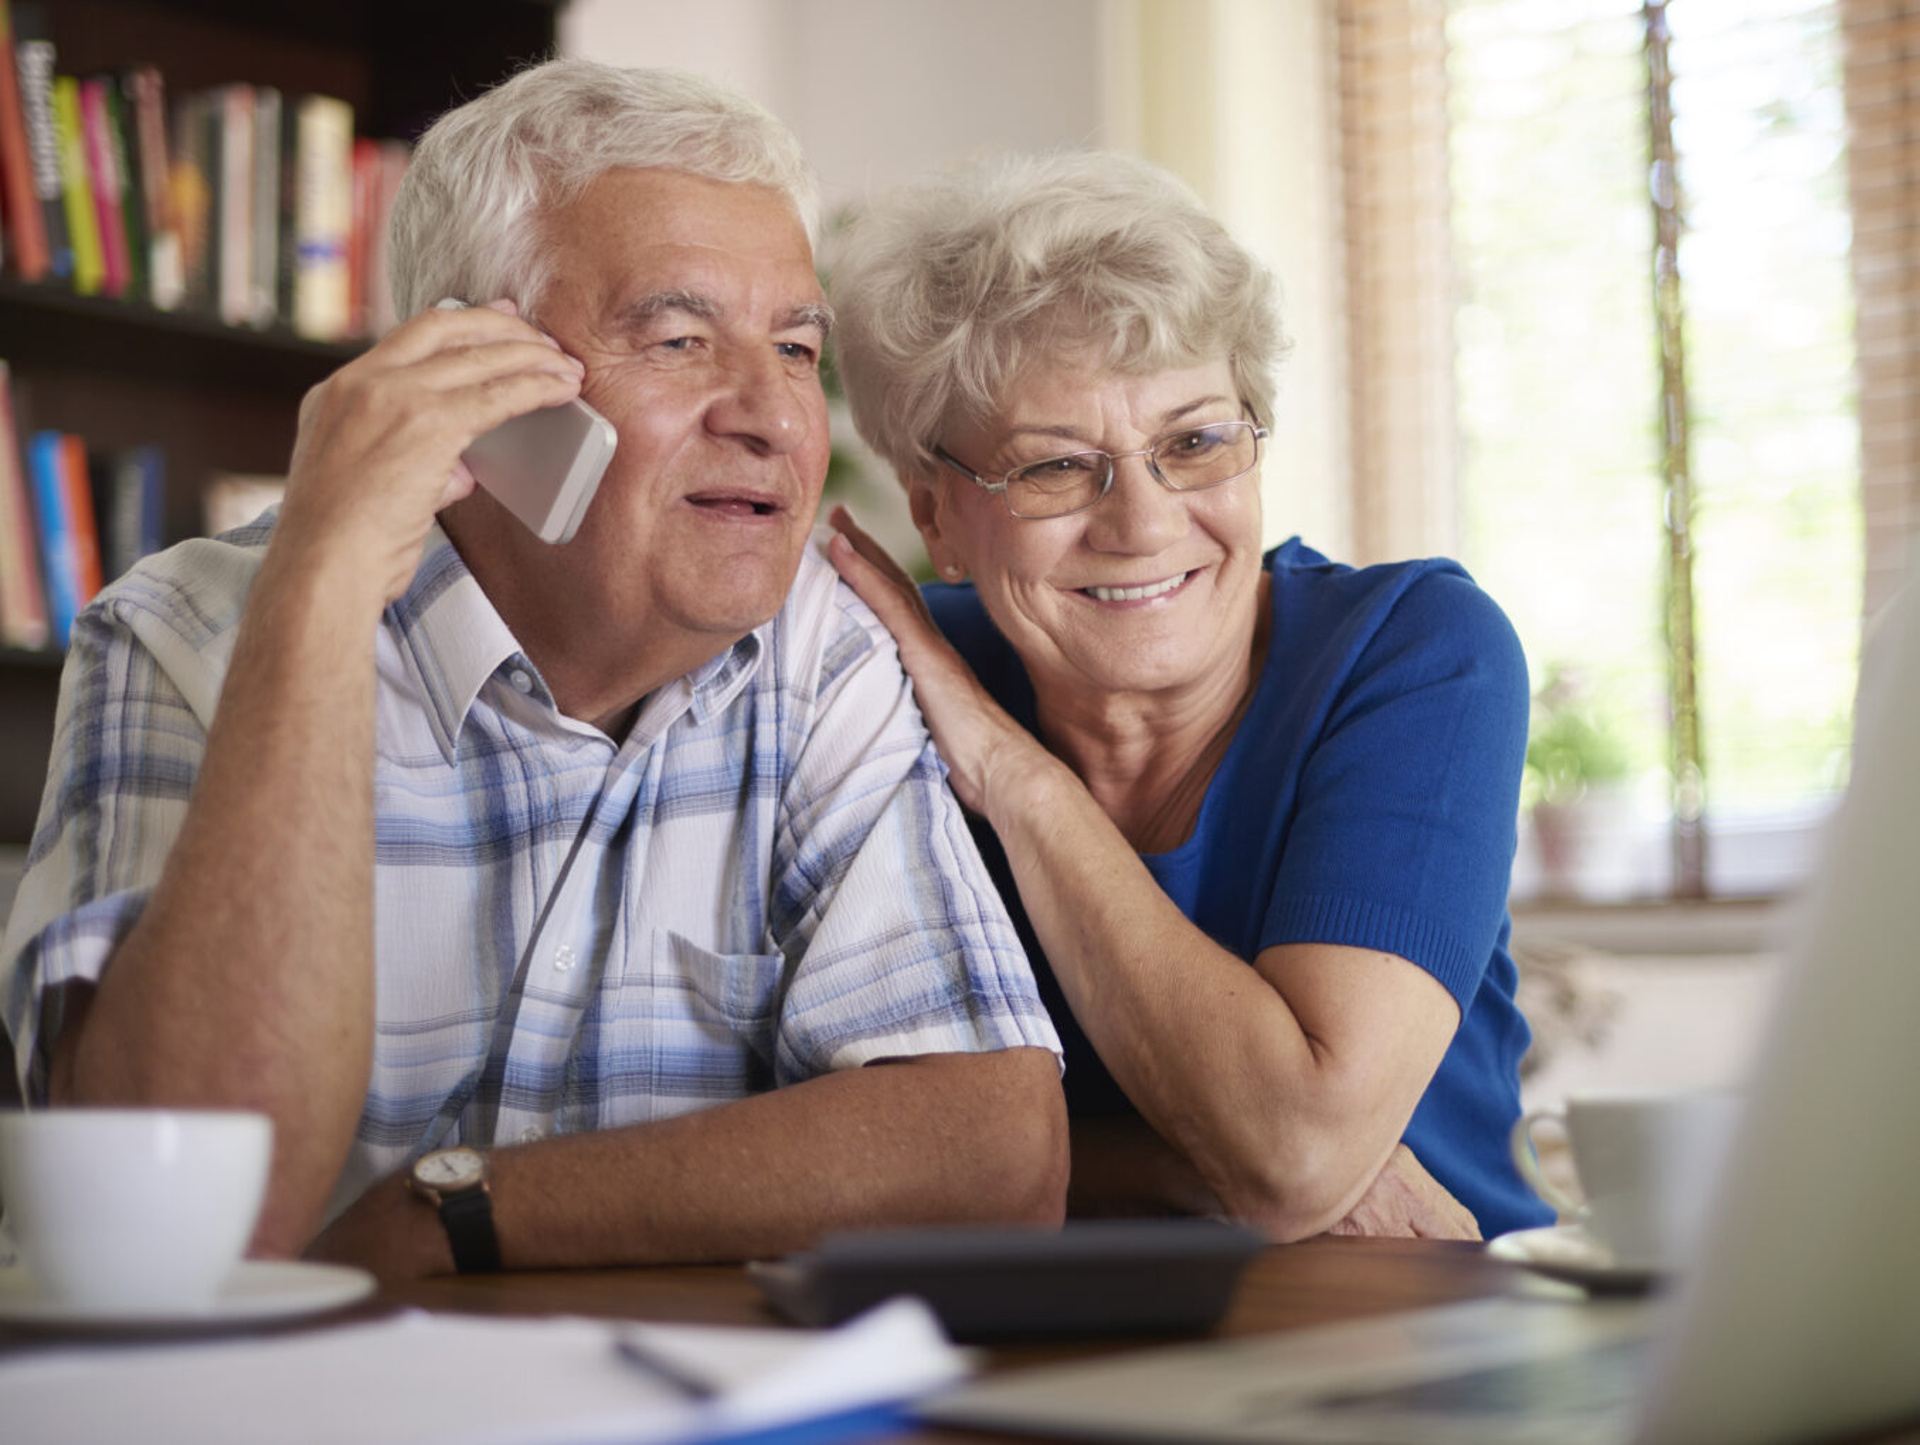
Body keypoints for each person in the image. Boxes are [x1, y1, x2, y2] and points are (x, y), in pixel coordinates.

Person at [0, 61, 1066, 1282]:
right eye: (678, 338)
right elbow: (173, 1230)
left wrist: (448, 1209)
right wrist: (320, 593)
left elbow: (992, 1149)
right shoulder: (188, 635)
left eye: (791, 345)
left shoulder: (822, 654)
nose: (772, 414)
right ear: (480, 387)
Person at [825, 151, 1555, 1241]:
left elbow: (1293, 1151)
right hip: (1055, 1354)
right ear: (937, 519)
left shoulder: (1413, 652)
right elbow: (784, 1117)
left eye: (1196, 441)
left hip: (1442, 1325)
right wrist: (1181, 1165)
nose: (1144, 522)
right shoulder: (884, 681)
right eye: (1055, 466)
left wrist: (1020, 780)